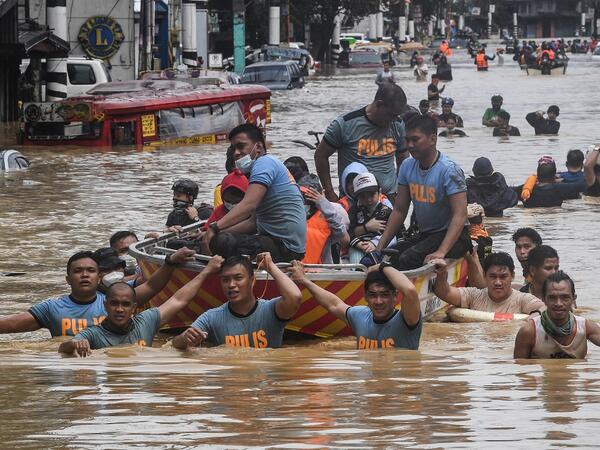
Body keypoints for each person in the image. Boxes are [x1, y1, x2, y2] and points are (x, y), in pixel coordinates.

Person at [0, 248, 194, 337]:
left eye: (90, 271)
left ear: (99, 276)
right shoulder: (52, 308)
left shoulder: (116, 303)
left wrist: (170, 262)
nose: (84, 275)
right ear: (68, 279)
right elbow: (10, 325)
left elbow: (151, 287)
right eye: (78, 271)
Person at [58, 256, 224, 356]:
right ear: (105, 306)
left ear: (134, 307)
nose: (120, 309)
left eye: (125, 304)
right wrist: (73, 345)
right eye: (114, 304)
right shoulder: (93, 334)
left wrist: (206, 271)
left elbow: (178, 300)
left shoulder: (146, 320)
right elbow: (63, 348)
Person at [376, 114, 471, 270]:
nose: (410, 145)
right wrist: (379, 248)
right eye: (407, 140)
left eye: (415, 139)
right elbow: (400, 210)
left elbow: (460, 215)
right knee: (392, 254)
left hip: (456, 236)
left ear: (433, 139)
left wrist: (441, 251)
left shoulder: (449, 170)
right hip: (427, 234)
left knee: (408, 258)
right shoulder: (407, 166)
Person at [204, 124, 306, 263]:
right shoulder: (262, 168)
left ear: (258, 147)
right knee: (219, 238)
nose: (236, 153)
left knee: (221, 242)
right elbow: (252, 223)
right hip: (279, 243)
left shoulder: (264, 163)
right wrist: (215, 232)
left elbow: (249, 205)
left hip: (286, 248)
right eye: (234, 148)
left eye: (241, 146)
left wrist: (214, 228)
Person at [172, 253, 302, 349]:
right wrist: (184, 339)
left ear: (252, 280)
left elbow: (295, 297)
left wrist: (270, 267)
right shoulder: (212, 317)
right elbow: (174, 344)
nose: (231, 285)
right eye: (225, 280)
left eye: (238, 278)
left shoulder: (271, 310)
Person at [289, 261, 422, 350]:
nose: (378, 301)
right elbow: (334, 304)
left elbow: (410, 290)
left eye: (385, 295)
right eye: (373, 295)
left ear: (395, 296)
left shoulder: (407, 319)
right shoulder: (360, 316)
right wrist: (304, 280)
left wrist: (382, 266)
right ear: (365, 297)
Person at [315, 83, 408, 202]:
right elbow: (320, 155)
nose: (393, 120)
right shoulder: (344, 124)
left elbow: (404, 160)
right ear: (379, 105)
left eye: (397, 116)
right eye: (391, 115)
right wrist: (329, 193)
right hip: (354, 201)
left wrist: (401, 192)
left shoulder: (398, 125)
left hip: (388, 199)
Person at [514, 271, 600, 359]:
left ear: (573, 299)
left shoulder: (585, 327)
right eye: (552, 298)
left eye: (565, 298)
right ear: (543, 299)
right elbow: (520, 368)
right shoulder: (529, 331)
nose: (558, 303)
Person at [432, 252, 545, 313]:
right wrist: (442, 274)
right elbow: (444, 293)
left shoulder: (522, 300)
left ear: (512, 276)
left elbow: (543, 310)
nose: (498, 282)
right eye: (492, 276)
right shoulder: (474, 295)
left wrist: (535, 315)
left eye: (503, 277)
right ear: (485, 276)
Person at [298, 174, 349, 264]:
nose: (308, 199)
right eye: (304, 196)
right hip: (297, 266)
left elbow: (341, 234)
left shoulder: (332, 211)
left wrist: (323, 203)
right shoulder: (294, 213)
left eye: (313, 196)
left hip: (322, 268)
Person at [348, 173, 393, 264]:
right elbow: (348, 233)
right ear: (356, 196)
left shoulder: (387, 211)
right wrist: (359, 244)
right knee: (357, 266)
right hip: (359, 246)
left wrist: (375, 243)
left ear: (379, 192)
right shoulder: (353, 211)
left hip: (383, 245)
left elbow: (398, 233)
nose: (368, 199)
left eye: (372, 195)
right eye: (363, 196)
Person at [518, 157, 586, 208]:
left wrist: (530, 181)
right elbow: (582, 185)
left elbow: (508, 193)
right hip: (553, 219)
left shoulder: (525, 190)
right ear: (555, 175)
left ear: (537, 174)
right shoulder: (561, 188)